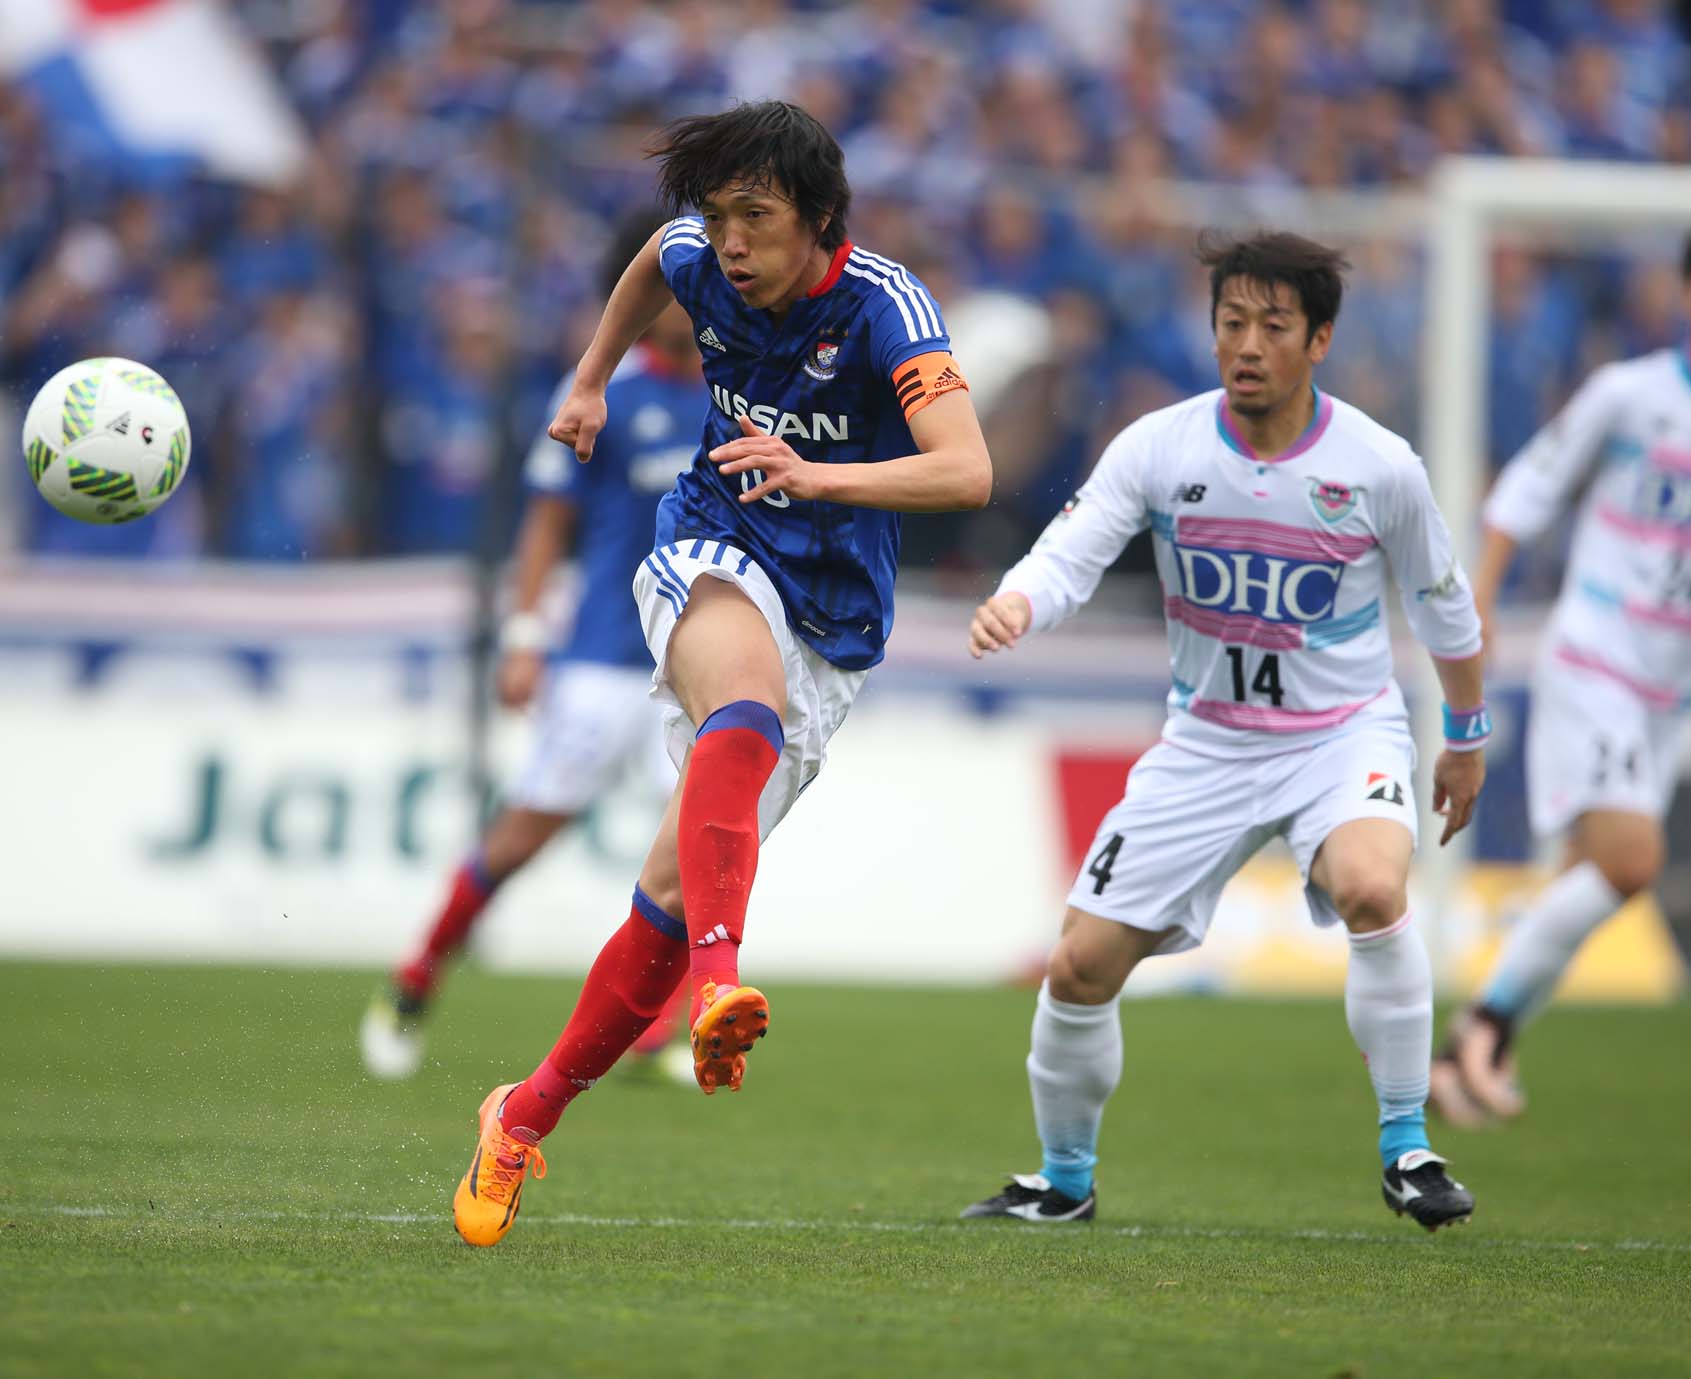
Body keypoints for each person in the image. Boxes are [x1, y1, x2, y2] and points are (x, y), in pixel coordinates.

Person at [451, 100, 992, 1247]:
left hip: (834, 613)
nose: (728, 241)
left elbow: (966, 472)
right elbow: (654, 257)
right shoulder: (700, 255)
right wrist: (591, 376)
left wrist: (818, 474)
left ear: (821, 221)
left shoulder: (885, 306)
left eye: (757, 216)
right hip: (711, 540)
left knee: (660, 904)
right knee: (737, 707)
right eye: (718, 215)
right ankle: (720, 985)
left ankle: (522, 1112)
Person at [960, 232, 1485, 1233]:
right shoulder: (1161, 445)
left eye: (1271, 326)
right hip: (1205, 741)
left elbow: (1443, 606)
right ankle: (1063, 1181)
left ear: (1318, 338)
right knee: (1078, 966)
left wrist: (1464, 734)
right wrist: (1018, 601)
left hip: (1339, 734)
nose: (1245, 344)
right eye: (1229, 323)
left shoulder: (1379, 466)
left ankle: (1407, 1145)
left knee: (1372, 884)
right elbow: (1071, 549)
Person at [1431, 225, 1691, 1125]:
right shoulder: (1628, 397)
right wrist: (1483, 601)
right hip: (1599, 656)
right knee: (1633, 861)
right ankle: (1485, 1024)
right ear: (1688, 297)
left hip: (1676, 688)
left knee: (1591, 872)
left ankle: (1471, 1039)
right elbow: (1529, 487)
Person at [359, 212, 708, 1084]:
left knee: (703, 848)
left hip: (700, 668)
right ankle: (414, 978)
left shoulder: (743, 391)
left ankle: (670, 1024)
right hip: (602, 661)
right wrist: (523, 636)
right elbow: (547, 522)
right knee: (519, 840)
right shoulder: (608, 391)